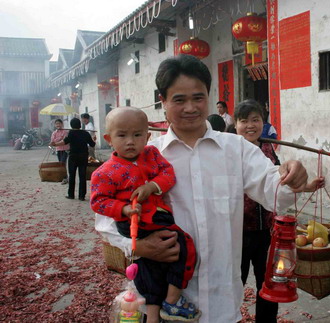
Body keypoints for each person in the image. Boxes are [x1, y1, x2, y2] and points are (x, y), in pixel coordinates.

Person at [95, 54, 309, 323]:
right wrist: (138, 246)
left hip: (222, 299)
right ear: (163, 101)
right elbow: (105, 221)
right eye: (179, 99)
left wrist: (289, 174)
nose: (190, 108)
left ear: (209, 96)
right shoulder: (145, 158)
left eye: (198, 98)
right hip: (163, 301)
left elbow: (274, 192)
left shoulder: (236, 149)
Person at [90, 107, 199, 322]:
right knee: (176, 248)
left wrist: (152, 187)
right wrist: (123, 209)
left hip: (156, 217)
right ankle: (166, 304)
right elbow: (98, 201)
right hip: (135, 221)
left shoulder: (152, 155)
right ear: (108, 138)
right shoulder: (104, 172)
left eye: (137, 135)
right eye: (122, 135)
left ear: (147, 137)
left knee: (160, 260)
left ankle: (161, 308)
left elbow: (168, 174)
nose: (130, 141)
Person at [234, 99, 323, 322]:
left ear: (263, 123)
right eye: (244, 121)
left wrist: (304, 186)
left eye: (255, 120)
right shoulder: (229, 151)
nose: (250, 126)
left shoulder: (268, 149)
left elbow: (280, 182)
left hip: (267, 231)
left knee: (270, 281)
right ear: (235, 125)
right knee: (235, 283)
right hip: (237, 232)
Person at [50, 118, 95, 201]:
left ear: (71, 125)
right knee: (82, 176)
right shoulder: (85, 133)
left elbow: (64, 142)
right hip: (83, 156)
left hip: (73, 156)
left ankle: (71, 194)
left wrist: (55, 144)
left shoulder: (71, 133)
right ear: (80, 125)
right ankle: (82, 196)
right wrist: (94, 138)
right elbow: (92, 144)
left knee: (72, 176)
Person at [50, 119, 69, 184]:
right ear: (55, 125)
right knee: (60, 164)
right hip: (58, 149)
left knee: (63, 163)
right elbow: (53, 141)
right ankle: (65, 177)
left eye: (59, 123)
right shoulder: (54, 133)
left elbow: (64, 140)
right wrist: (60, 138)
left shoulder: (65, 132)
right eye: (56, 124)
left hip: (65, 149)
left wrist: (57, 140)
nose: (58, 125)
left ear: (62, 124)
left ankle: (65, 178)